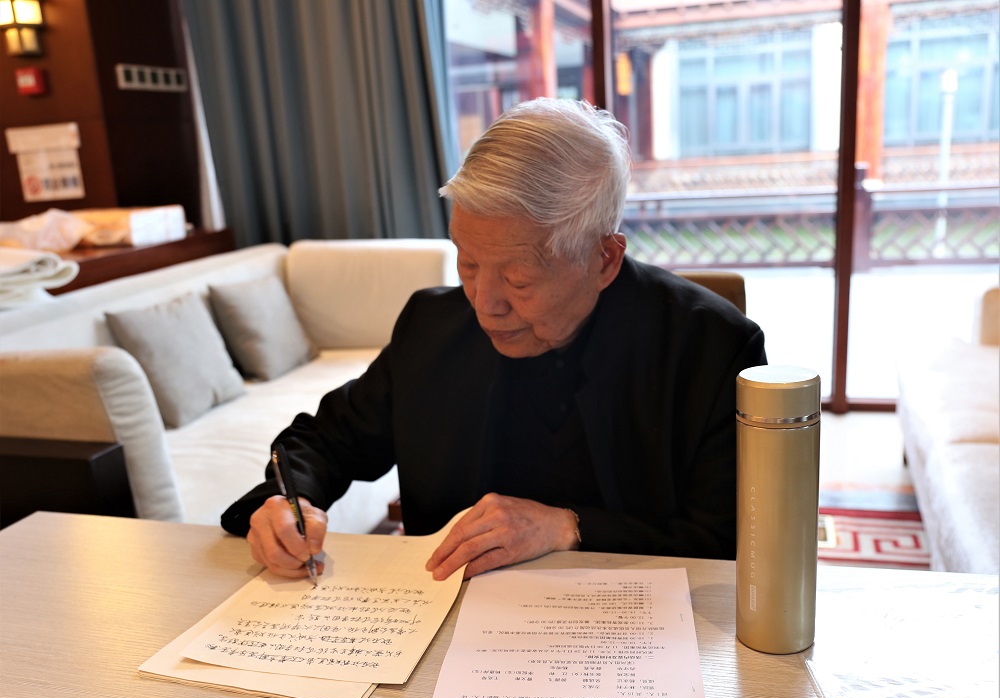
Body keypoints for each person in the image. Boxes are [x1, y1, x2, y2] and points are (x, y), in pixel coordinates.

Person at [221, 97, 767, 582]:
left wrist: (570, 527)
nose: (485, 303)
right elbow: (325, 440)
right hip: (445, 624)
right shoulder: (433, 326)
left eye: (518, 279)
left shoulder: (710, 348)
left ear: (603, 259)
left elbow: (733, 541)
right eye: (468, 263)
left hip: (636, 630)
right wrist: (287, 501)